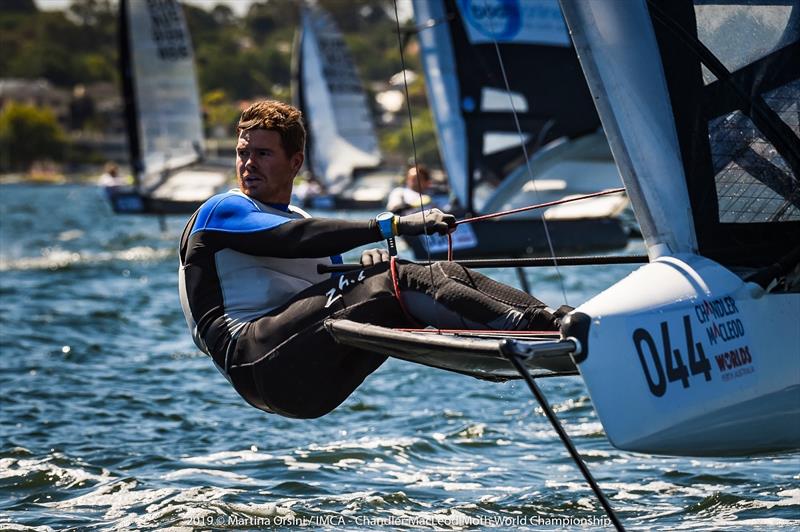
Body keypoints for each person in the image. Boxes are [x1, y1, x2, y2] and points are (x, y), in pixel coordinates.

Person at [179, 100, 564, 419]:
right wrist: (392, 226)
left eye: (262, 154)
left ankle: (553, 320)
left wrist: (367, 267)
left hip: (310, 379)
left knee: (439, 272)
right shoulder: (224, 210)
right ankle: (531, 332)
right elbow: (293, 241)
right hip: (256, 360)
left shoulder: (303, 218)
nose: (248, 164)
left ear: (295, 162)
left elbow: (329, 285)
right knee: (398, 278)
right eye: (243, 153)